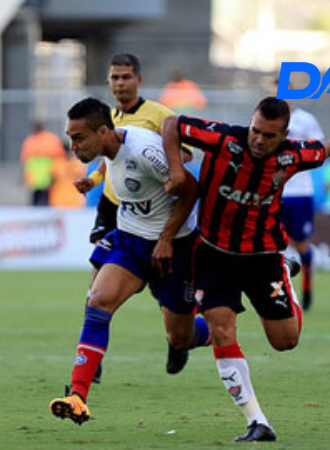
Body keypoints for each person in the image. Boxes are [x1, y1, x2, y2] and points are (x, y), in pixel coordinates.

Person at [162, 97, 330, 442]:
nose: (258, 140)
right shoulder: (223, 139)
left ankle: (285, 267)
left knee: (285, 341)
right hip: (212, 255)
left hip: (263, 258)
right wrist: (178, 170)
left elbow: (326, 147)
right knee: (223, 330)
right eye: (255, 130)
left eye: (268, 135)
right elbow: (171, 125)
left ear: (283, 134)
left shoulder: (291, 155)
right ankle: (257, 421)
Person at [49, 97, 209, 425]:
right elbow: (111, 163)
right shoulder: (112, 146)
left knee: (181, 336)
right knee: (98, 301)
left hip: (174, 248)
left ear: (104, 131)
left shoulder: (146, 152)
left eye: (78, 138)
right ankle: (78, 395)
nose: (72, 145)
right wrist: (93, 179)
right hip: (131, 241)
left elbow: (191, 191)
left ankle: (216, 327)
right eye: (69, 137)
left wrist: (165, 239)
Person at [75, 53, 193, 384]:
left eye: (126, 77)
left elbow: (184, 155)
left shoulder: (159, 114)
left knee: (160, 286)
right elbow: (109, 158)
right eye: (114, 77)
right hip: (115, 208)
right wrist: (93, 182)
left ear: (138, 80)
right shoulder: (107, 117)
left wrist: (164, 160)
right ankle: (90, 360)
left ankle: (176, 336)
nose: (119, 83)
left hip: (153, 211)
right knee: (97, 278)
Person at [276, 83, 324, 310]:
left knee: (302, 244)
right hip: (274, 192)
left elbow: (320, 149)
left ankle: (306, 292)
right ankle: (278, 292)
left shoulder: (305, 120)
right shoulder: (265, 120)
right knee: (273, 246)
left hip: (299, 193)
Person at [20, 122, 65, 206]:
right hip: (43, 176)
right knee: (43, 199)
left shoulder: (30, 141)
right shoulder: (51, 139)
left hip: (42, 176)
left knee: (39, 199)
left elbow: (25, 159)